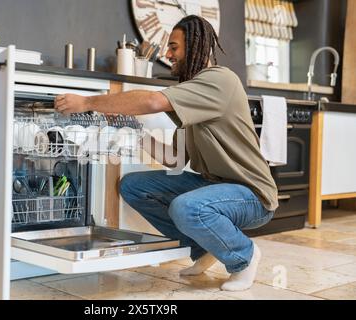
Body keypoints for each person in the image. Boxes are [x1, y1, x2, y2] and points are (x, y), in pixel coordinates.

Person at [55, 15, 278, 292]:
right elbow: (175, 160)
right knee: (134, 186)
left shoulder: (219, 80)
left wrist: (88, 102)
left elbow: (151, 101)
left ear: (195, 47)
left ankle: (244, 256)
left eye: (174, 47)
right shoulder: (191, 93)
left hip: (252, 195)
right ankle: (204, 248)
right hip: (216, 186)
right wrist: (134, 130)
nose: (167, 54)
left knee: (187, 207)